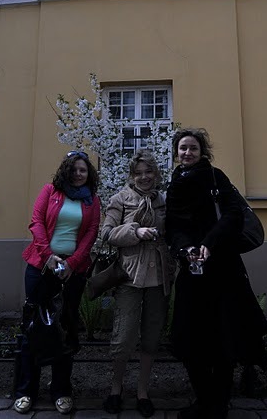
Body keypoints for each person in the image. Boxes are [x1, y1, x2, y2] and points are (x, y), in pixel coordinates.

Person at [165, 128, 267, 419]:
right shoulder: (175, 183)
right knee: (190, 339)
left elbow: (233, 214)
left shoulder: (215, 177)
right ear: (176, 152)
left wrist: (209, 243)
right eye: (183, 148)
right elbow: (173, 225)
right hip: (192, 272)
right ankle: (204, 400)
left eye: (193, 148)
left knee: (225, 339)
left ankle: (220, 405)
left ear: (202, 152)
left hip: (224, 270)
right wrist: (185, 249)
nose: (187, 153)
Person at [13, 151, 101, 415]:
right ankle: (26, 391)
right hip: (41, 267)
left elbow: (91, 233)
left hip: (72, 272)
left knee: (65, 331)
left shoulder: (92, 199)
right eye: (74, 169)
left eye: (83, 170)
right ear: (65, 170)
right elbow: (36, 223)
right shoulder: (50, 191)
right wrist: (48, 256)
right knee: (33, 328)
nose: (78, 174)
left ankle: (61, 391)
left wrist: (72, 263)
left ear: (88, 173)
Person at [99, 150, 177, 418]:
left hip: (159, 276)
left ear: (156, 173)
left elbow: (174, 232)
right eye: (138, 173)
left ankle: (143, 391)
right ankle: (116, 388)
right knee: (123, 336)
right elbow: (107, 233)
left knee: (152, 336)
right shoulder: (120, 198)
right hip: (130, 276)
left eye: (149, 172)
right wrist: (135, 231)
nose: (144, 177)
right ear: (132, 176)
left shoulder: (164, 201)